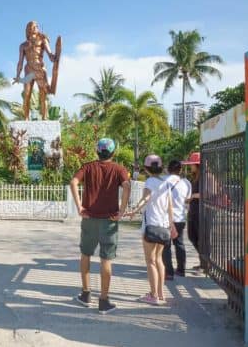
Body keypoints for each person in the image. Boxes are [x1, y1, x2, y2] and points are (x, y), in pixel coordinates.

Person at [70, 138, 131, 314]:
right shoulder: (119, 169)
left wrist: (79, 206)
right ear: (113, 152)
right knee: (106, 259)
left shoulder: (88, 167)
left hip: (89, 218)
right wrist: (122, 210)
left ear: (97, 151)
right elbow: (127, 186)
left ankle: (86, 294)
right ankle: (103, 301)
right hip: (110, 221)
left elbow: (73, 182)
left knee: (85, 254)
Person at [125, 154, 173, 306]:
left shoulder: (150, 182)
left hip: (151, 226)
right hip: (164, 226)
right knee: (159, 260)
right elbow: (170, 206)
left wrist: (134, 211)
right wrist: (171, 226)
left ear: (146, 168)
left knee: (150, 261)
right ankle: (161, 293)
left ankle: (153, 295)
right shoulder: (166, 182)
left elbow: (146, 199)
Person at [14, 21, 58, 120]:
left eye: (36, 26)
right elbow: (20, 62)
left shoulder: (42, 40)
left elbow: (49, 54)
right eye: (32, 26)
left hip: (40, 68)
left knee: (43, 95)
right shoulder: (23, 45)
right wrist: (17, 75)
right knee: (26, 95)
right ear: (28, 29)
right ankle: (26, 118)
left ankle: (45, 117)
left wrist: (53, 57)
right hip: (28, 70)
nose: (35, 27)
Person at [162, 160, 192, 279]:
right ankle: (181, 269)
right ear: (180, 170)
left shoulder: (164, 180)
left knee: (166, 245)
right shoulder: (186, 183)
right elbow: (188, 199)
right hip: (180, 217)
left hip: (166, 218)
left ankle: (169, 272)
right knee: (179, 243)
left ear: (168, 169)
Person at [182, 152, 201, 268]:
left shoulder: (206, 176)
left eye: (192, 164)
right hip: (193, 211)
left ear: (197, 165)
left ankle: (204, 263)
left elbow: (209, 194)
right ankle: (203, 261)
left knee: (200, 238)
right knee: (192, 236)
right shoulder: (194, 177)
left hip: (202, 213)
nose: (190, 166)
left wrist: (193, 196)